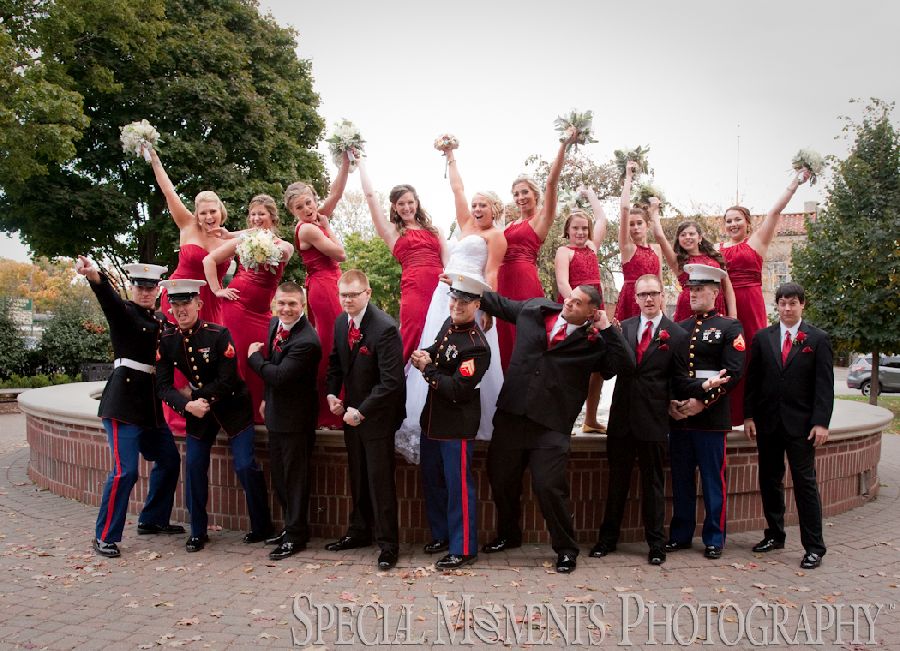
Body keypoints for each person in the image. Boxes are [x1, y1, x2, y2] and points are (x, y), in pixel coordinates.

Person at [479, 284, 631, 574]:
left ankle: (566, 549)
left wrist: (608, 328)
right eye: (569, 298)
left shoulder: (596, 342)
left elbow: (625, 366)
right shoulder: (533, 310)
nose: (570, 303)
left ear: (591, 311)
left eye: (578, 302)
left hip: (551, 424)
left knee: (549, 486)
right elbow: (498, 302)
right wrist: (464, 284)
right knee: (500, 477)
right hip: (513, 415)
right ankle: (509, 535)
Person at [591, 274, 728, 565]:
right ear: (636, 299)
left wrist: (702, 388)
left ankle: (655, 544)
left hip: (653, 420)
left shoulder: (676, 334)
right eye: (642, 295)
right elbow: (608, 370)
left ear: (662, 296)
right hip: (622, 419)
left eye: (653, 293)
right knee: (617, 482)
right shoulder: (623, 329)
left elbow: (679, 380)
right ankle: (607, 540)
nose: (648, 299)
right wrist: (603, 338)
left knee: (653, 485)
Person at [393, 143, 507, 464]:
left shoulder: (495, 236)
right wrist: (450, 156)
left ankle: (470, 420)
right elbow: (457, 186)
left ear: (494, 209)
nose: (476, 209)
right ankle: (428, 416)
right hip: (443, 298)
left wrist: (490, 310)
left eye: (482, 205)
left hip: (473, 301)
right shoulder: (466, 223)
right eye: (474, 205)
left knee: (470, 357)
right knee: (436, 348)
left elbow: (493, 272)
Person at [75, 258, 183, 558]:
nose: (145, 292)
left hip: (150, 408)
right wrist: (95, 276)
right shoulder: (124, 312)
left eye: (150, 288)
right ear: (133, 288)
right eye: (140, 286)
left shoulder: (162, 321)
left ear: (157, 290)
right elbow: (107, 298)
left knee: (170, 460)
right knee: (126, 472)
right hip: (122, 405)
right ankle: (105, 536)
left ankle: (152, 519)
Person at [156, 279, 272, 552]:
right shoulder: (168, 340)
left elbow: (228, 379)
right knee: (194, 466)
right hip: (198, 412)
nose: (181, 309)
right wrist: (187, 407)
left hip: (232, 405)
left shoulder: (218, 335)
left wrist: (196, 397)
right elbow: (161, 386)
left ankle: (262, 525)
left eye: (186, 303)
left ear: (199, 304)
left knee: (245, 465)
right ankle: (197, 531)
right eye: (175, 304)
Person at [744, 282, 833, 569]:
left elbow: (824, 386)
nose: (787, 308)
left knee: (805, 484)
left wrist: (821, 422)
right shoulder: (763, 338)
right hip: (768, 423)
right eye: (782, 302)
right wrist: (748, 417)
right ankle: (774, 535)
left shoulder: (817, 339)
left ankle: (814, 547)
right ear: (777, 306)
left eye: (792, 302)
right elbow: (752, 382)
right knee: (769, 480)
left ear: (802, 305)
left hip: (802, 426)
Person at [147, 147, 233, 436]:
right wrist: (155, 159)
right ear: (197, 214)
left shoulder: (229, 237)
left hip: (211, 301)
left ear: (221, 211)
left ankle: (212, 409)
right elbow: (167, 190)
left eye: (213, 211)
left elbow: (262, 235)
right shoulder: (187, 225)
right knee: (179, 352)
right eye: (204, 212)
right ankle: (179, 414)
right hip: (180, 295)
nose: (209, 217)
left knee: (212, 357)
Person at [324, 270, 405, 570]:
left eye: (353, 295)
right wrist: (332, 395)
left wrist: (362, 411)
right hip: (350, 414)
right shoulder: (339, 323)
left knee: (379, 480)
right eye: (343, 294)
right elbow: (335, 364)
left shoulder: (384, 328)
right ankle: (359, 532)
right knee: (358, 476)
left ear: (367, 294)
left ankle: (388, 545)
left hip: (378, 416)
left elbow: (392, 382)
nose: (347, 300)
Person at [411, 272, 491, 570]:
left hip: (456, 425)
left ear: (477, 304)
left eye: (465, 301)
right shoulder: (450, 325)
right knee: (432, 480)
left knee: (458, 487)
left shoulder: (477, 346)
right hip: (433, 420)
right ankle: (443, 535)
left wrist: (427, 369)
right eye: (455, 298)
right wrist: (425, 354)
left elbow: (457, 389)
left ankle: (464, 547)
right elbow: (439, 351)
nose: (457, 304)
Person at [666, 264, 745, 560]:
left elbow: (734, 372)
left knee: (713, 480)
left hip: (710, 418)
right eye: (691, 290)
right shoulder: (680, 328)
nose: (694, 294)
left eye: (700, 290)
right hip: (680, 418)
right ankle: (681, 534)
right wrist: (673, 402)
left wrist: (703, 401)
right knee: (682, 480)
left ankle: (714, 537)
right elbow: (671, 372)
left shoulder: (729, 327)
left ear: (715, 292)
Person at [720, 168, 811, 425]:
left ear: (747, 222)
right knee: (727, 354)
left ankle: (752, 412)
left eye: (737, 219)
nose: (733, 224)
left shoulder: (757, 241)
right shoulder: (717, 248)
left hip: (749, 301)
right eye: (728, 220)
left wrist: (795, 182)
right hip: (725, 303)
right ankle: (727, 411)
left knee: (753, 353)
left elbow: (774, 212)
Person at [247, 282, 321, 561]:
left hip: (296, 422)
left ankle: (296, 535)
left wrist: (253, 358)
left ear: (302, 305)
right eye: (282, 303)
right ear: (274, 304)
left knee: (295, 479)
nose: (286, 309)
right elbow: (274, 373)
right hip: (277, 416)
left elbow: (278, 375)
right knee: (280, 477)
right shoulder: (274, 326)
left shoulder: (307, 341)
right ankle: (289, 527)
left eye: (292, 304)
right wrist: (266, 399)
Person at [203, 195, 293, 423]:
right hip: (237, 306)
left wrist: (248, 237)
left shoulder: (285, 246)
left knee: (261, 358)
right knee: (237, 358)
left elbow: (282, 253)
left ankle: (259, 413)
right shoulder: (243, 241)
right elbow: (209, 261)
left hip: (262, 312)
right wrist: (217, 290)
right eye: (252, 214)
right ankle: (235, 414)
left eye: (261, 214)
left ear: (272, 217)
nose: (256, 218)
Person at [496, 129, 578, 371]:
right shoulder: (509, 224)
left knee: (525, 335)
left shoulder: (541, 219)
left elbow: (552, 182)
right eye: (516, 194)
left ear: (535, 194)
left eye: (525, 192)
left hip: (523, 280)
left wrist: (564, 144)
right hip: (502, 281)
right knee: (503, 339)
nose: (520, 197)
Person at [358, 158, 448, 365]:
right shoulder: (391, 230)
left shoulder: (434, 230)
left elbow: (448, 262)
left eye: (410, 202)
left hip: (440, 287)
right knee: (413, 333)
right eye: (401, 204)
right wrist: (360, 163)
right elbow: (371, 196)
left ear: (417, 202)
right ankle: (398, 386)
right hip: (414, 288)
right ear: (394, 207)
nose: (407, 207)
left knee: (441, 333)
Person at [286, 155, 351, 428]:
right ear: (294, 212)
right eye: (300, 207)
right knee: (333, 342)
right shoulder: (309, 230)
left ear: (314, 199)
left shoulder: (314, 219)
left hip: (329, 284)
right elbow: (340, 254)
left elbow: (336, 193)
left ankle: (339, 400)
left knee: (340, 339)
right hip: (324, 287)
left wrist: (345, 162)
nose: (307, 209)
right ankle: (328, 409)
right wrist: (328, 226)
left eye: (309, 202)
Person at [554, 188, 608, 433]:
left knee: (597, 365)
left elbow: (602, 219)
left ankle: (590, 418)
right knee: (570, 364)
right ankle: (562, 417)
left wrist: (589, 194)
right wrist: (576, 309)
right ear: (567, 230)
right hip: (574, 309)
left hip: (595, 309)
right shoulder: (564, 252)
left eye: (584, 228)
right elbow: (564, 283)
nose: (580, 232)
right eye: (575, 228)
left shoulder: (593, 248)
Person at [651, 209, 736, 320]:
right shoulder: (677, 261)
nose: (687, 237)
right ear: (679, 240)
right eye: (683, 235)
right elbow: (659, 236)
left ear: (699, 238)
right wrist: (654, 209)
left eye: (691, 234)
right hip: (689, 307)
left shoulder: (715, 256)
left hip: (716, 304)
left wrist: (733, 316)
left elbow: (727, 287)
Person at [614, 161, 661, 322]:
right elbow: (625, 209)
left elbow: (660, 281)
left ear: (647, 225)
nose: (635, 227)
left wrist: (654, 209)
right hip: (631, 298)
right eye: (631, 224)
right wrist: (628, 177)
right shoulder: (627, 248)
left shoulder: (656, 248)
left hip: (654, 300)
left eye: (639, 223)